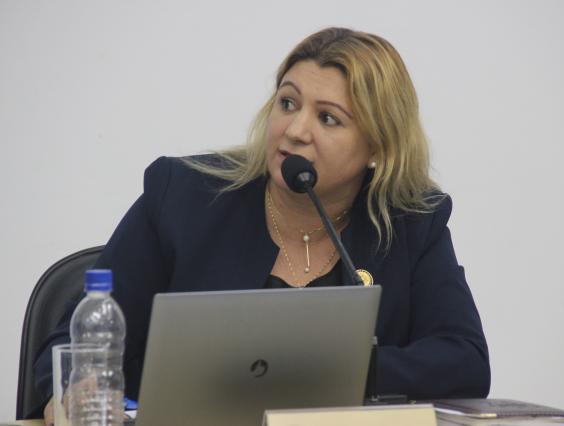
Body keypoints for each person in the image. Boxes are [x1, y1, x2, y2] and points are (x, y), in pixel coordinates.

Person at [35, 27, 490, 423]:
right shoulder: (183, 198)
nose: (295, 130)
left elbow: (465, 360)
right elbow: (67, 344)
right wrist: (69, 392)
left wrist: (335, 369)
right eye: (288, 103)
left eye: (328, 118)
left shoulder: (411, 222)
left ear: (378, 147)